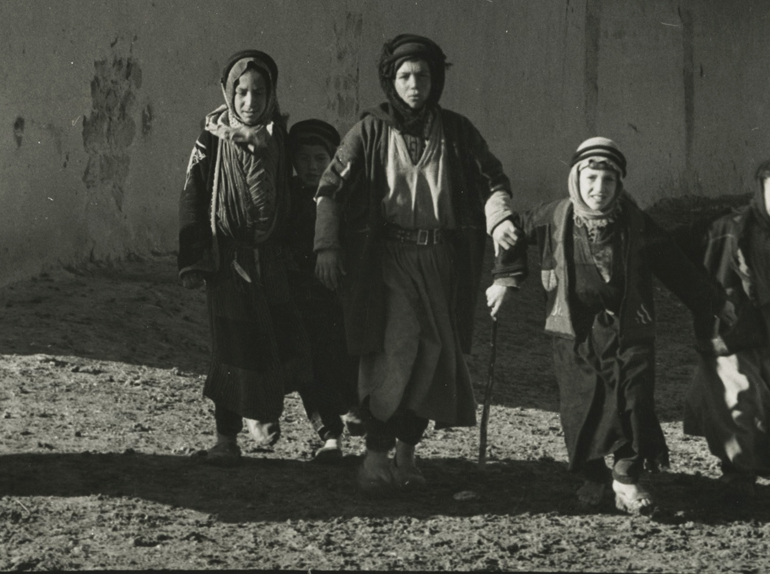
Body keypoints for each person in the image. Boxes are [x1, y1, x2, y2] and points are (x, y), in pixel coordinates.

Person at [314, 34, 520, 491]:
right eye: (404, 76)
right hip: (387, 263)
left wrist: (499, 219)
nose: (414, 85)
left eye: (423, 76)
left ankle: (407, 457)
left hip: (442, 265)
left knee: (433, 358)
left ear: (436, 80)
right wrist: (326, 246)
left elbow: (492, 180)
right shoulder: (370, 131)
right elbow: (330, 188)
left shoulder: (458, 132)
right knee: (395, 351)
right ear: (390, 80)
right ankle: (375, 456)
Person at [502, 137, 732, 516]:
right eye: (591, 178)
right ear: (576, 178)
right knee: (583, 405)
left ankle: (626, 476)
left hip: (628, 328)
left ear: (619, 183)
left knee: (634, 399)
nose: (599, 188)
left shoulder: (636, 223)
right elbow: (512, 230)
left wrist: (714, 303)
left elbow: (674, 266)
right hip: (573, 330)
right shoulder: (554, 216)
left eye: (608, 180)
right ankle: (593, 475)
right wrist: (504, 278)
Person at [178, 50, 310, 466]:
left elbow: (294, 195)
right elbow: (192, 196)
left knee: (277, 339)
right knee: (232, 348)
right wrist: (193, 259)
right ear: (228, 93)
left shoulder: (280, 139)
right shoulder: (211, 139)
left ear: (271, 95)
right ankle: (226, 439)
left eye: (259, 92)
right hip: (228, 262)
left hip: (271, 260)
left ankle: (261, 408)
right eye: (242, 92)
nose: (250, 102)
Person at [684, 152, 770, 488]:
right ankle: (736, 469)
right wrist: (709, 300)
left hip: (766, 328)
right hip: (729, 328)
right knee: (738, 395)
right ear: (761, 192)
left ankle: (755, 464)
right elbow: (678, 251)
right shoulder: (728, 229)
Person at [283, 118, 356, 463]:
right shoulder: (285, 198)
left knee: (343, 360)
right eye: (303, 159)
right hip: (299, 300)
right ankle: (330, 438)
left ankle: (353, 408)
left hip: (336, 298)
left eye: (319, 159)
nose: (311, 167)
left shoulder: (343, 198)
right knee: (309, 369)